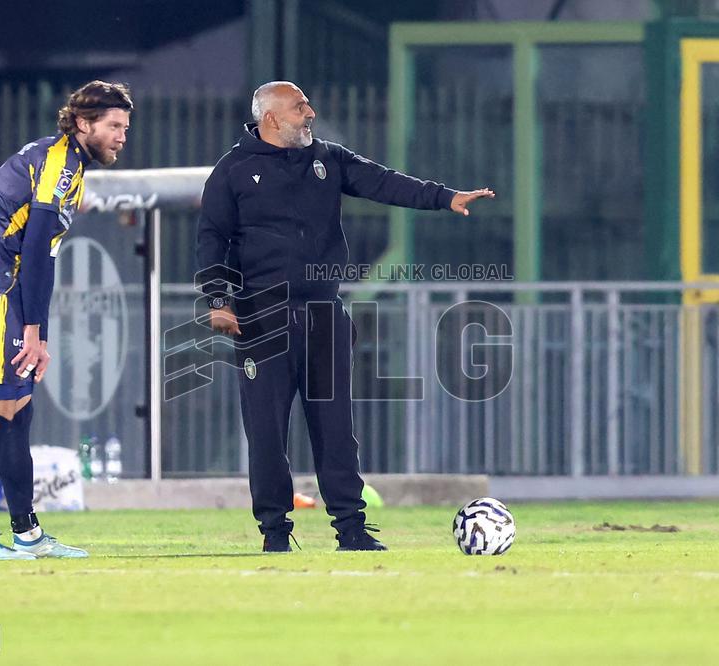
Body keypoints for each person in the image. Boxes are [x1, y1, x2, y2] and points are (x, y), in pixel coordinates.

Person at [195, 81, 494, 552]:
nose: (310, 112)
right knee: (267, 433)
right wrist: (218, 299)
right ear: (271, 118)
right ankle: (275, 534)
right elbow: (211, 238)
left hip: (323, 315)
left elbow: (384, 181)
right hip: (261, 318)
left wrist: (445, 197)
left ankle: (352, 530)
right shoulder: (232, 171)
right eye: (300, 107)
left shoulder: (328, 159)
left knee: (336, 429)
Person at [0, 80, 132, 560]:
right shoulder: (58, 162)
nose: (121, 136)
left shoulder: (65, 161)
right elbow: (33, 252)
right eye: (113, 125)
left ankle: (26, 531)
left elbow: (43, 255)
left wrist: (40, 335)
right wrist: (33, 331)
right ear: (83, 123)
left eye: (125, 127)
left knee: (20, 406)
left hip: (0, 287)